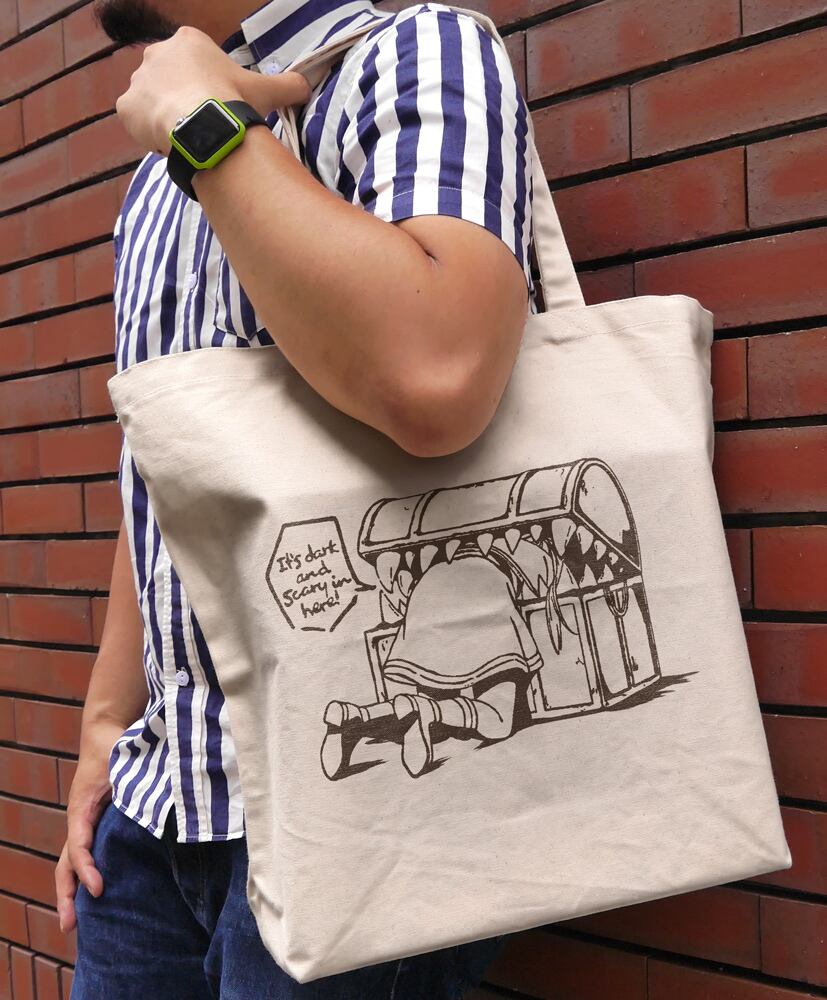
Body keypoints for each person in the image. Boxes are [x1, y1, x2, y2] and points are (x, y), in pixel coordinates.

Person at [56, 0, 539, 995]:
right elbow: (168, 465)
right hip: (153, 812)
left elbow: (439, 374)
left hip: (359, 810)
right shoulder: (154, 183)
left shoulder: (414, 54)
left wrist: (204, 124)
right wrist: (105, 725)